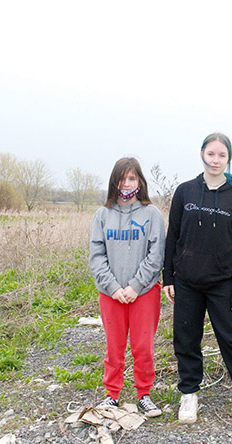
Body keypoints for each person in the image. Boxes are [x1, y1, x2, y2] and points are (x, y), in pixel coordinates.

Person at [163, 133, 232, 426]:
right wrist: (168, 275)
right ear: (202, 155)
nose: (216, 160)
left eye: (221, 155)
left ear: (228, 158)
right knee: (186, 338)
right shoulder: (185, 192)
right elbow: (174, 237)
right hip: (187, 281)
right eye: (211, 154)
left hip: (223, 283)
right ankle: (189, 393)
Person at [89, 157, 165, 418]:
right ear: (114, 181)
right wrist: (112, 287)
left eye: (132, 178)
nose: (126, 183)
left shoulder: (151, 214)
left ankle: (144, 394)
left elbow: (156, 255)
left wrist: (135, 285)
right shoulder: (102, 215)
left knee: (143, 346)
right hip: (111, 294)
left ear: (140, 182)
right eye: (122, 178)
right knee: (114, 346)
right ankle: (112, 395)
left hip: (143, 293)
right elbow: (97, 256)